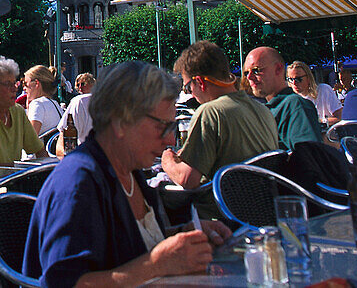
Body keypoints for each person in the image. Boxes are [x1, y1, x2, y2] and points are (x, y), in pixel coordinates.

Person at [24, 60, 231, 286]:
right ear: (121, 121)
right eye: (162, 126)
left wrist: (183, 233)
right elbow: (65, 283)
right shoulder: (78, 183)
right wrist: (157, 264)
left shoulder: (129, 172)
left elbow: (128, 248)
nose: (171, 140)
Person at [162, 41, 279, 218]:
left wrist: (167, 161)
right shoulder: (262, 110)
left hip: (220, 217)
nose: (190, 94)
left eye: (187, 87)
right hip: (261, 215)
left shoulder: (210, 112)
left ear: (200, 82)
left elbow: (188, 180)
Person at [243, 47, 322, 148]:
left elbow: (311, 155)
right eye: (246, 72)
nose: (249, 77)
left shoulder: (295, 105)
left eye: (256, 70)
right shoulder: (263, 110)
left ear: (278, 69)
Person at [286, 60, 342, 127]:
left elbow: (340, 118)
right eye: (290, 79)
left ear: (308, 78)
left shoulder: (323, 90)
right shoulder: (291, 100)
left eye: (298, 79)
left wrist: (318, 121)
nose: (294, 83)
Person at [55, 73, 96, 156]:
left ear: (92, 84)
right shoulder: (78, 101)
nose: (80, 87)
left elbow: (63, 140)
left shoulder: (79, 101)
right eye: (78, 85)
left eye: (83, 84)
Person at [24, 65, 64, 134]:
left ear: (37, 83)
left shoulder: (37, 104)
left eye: (26, 84)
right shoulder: (55, 104)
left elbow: (29, 139)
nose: (24, 88)